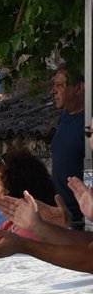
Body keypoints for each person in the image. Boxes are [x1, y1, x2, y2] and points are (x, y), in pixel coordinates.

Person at [49, 66, 86, 224]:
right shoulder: (63, 119)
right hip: (61, 211)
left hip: (82, 214)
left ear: (79, 88)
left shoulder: (88, 122)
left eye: (60, 85)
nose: (53, 91)